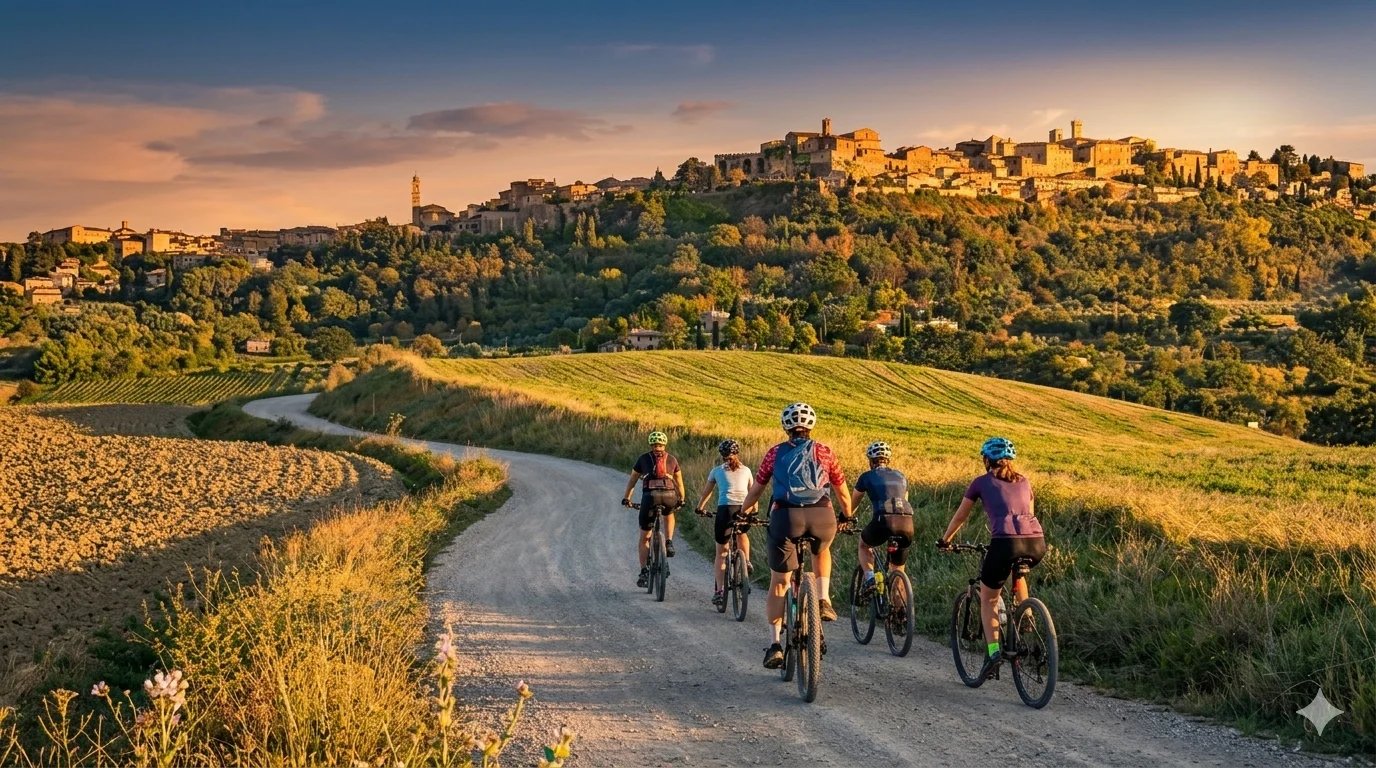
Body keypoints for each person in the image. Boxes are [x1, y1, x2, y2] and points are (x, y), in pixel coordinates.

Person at [739, 402, 853, 670]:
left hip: (786, 517)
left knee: (779, 582)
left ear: (786, 427)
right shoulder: (825, 452)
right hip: (822, 516)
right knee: (821, 550)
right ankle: (823, 599)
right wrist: (846, 515)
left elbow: (756, 491)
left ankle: (776, 644)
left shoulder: (774, 453)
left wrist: (743, 512)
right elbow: (843, 493)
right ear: (811, 427)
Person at [937, 437, 1046, 681]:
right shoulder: (1025, 481)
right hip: (1036, 542)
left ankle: (993, 653)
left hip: (1004, 543)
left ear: (987, 460)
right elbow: (1030, 513)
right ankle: (1027, 616)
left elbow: (960, 517)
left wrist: (946, 540)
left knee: (988, 599)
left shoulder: (980, 483)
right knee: (1019, 573)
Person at [693, 439, 756, 608]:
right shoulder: (747, 470)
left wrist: (700, 508)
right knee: (742, 533)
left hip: (725, 510)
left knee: (721, 553)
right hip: (744, 508)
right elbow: (753, 493)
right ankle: (746, 562)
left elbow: (707, 493)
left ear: (721, 455)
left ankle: (720, 591)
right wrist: (754, 510)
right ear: (738, 453)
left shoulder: (716, 471)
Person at [621, 431, 686, 588]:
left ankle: (644, 571)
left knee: (644, 537)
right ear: (665, 445)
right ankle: (669, 541)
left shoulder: (643, 459)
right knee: (669, 513)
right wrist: (682, 499)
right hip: (669, 496)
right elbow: (679, 482)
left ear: (651, 445)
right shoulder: (672, 459)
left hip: (650, 497)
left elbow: (632, 481)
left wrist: (627, 498)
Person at [850, 441, 914, 593]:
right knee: (898, 569)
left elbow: (852, 503)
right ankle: (901, 614)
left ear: (871, 461)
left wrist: (846, 518)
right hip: (907, 522)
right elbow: (905, 500)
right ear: (888, 460)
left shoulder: (867, 476)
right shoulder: (901, 476)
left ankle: (870, 578)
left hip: (884, 520)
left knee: (864, 545)